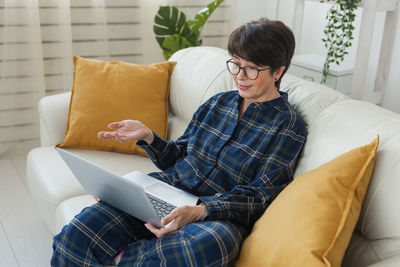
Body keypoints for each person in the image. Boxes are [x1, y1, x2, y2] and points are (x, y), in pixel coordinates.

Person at [51, 18, 307, 267]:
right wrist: (148, 137)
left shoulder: (288, 126)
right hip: (167, 191)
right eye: (236, 64)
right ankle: (149, 245)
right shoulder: (217, 103)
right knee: (78, 234)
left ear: (278, 72)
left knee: (207, 247)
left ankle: (134, 253)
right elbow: (177, 156)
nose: (239, 75)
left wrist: (200, 211)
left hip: (215, 217)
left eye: (251, 68)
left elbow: (259, 197)